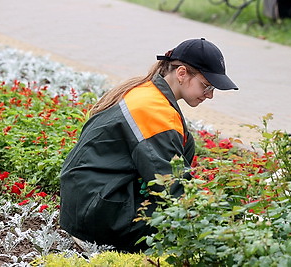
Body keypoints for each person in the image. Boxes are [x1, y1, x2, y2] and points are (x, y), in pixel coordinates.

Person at [59, 38, 238, 252]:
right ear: (181, 74)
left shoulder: (149, 92)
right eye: (206, 85)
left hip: (91, 199)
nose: (210, 95)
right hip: (97, 210)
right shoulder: (154, 110)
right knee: (186, 228)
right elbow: (171, 186)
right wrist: (223, 218)